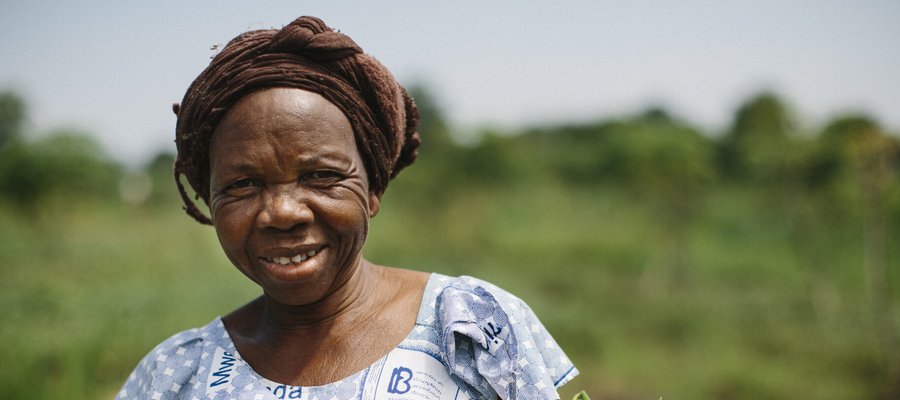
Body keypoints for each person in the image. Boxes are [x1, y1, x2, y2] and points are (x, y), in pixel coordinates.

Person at [116, 16, 578, 400]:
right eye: (243, 184)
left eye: (321, 176)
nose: (282, 212)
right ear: (211, 202)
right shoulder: (177, 375)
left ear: (373, 188)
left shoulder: (468, 324)